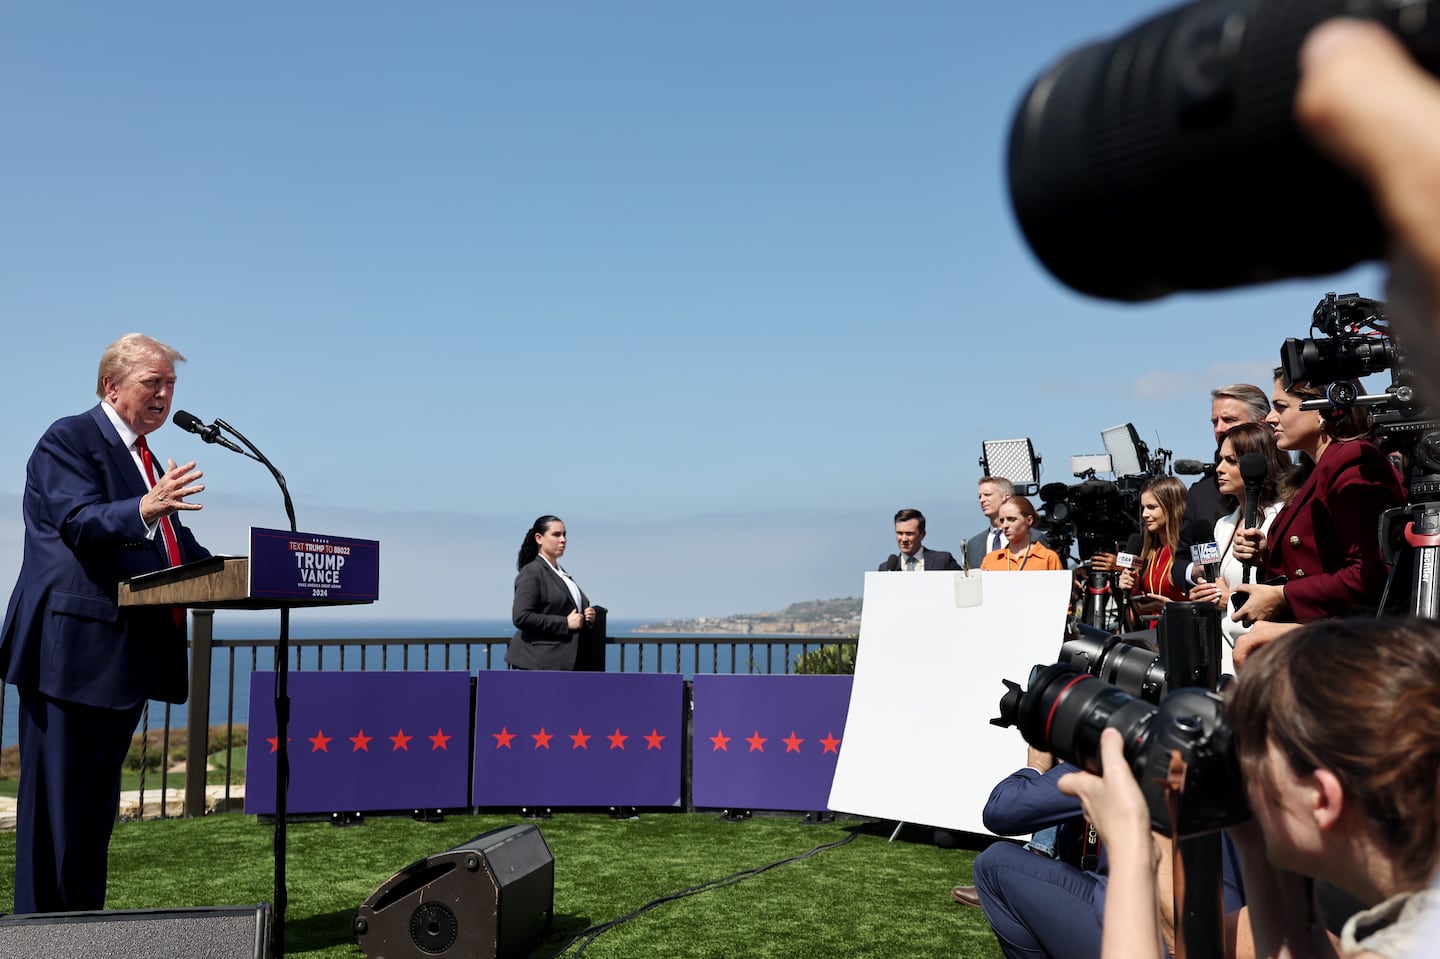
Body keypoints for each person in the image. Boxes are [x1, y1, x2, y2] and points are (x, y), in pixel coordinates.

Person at [0, 333, 210, 914]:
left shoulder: (143, 459)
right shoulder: (69, 439)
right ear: (110, 386)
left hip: (123, 662)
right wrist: (146, 507)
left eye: (170, 385)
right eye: (153, 383)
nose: (165, 395)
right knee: (54, 817)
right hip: (69, 655)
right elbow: (81, 523)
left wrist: (257, 568)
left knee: (93, 820)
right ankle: (38, 941)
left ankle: (84, 931)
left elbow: (177, 548)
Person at [1231, 371, 1403, 628]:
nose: (1269, 418)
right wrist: (1268, 554)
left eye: (1281, 407)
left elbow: (1371, 573)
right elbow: (1320, 558)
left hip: (1351, 642)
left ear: (1322, 410)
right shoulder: (1317, 470)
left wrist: (1283, 595)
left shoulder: (1352, 460)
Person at [1185, 423, 1292, 672]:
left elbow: (1281, 594)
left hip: (1265, 659)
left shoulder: (1282, 519)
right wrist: (1205, 595)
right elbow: (1217, 586)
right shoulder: (1223, 525)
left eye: (1231, 461)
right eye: (1220, 460)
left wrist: (1230, 600)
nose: (1219, 469)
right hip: (1222, 656)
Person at [1172, 385, 1271, 594]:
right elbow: (1181, 562)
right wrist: (1196, 573)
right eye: (1215, 422)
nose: (1219, 428)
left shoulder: (1291, 489)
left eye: (1230, 420)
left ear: (1263, 422)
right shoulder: (1201, 494)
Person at [507, 515, 599, 670]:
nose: (563, 540)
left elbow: (566, 608)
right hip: (538, 663)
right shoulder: (532, 572)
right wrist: (565, 623)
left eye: (564, 535)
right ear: (539, 538)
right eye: (556, 535)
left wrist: (588, 615)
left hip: (562, 663)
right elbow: (521, 617)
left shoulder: (560, 572)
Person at [1117, 476, 1188, 626]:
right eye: (1143, 508)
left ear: (1171, 507)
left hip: (1185, 637)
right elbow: (1144, 613)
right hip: (1154, 639)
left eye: (1151, 507)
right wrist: (1134, 589)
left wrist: (1169, 608)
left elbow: (1205, 604)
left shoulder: (1188, 549)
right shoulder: (1149, 552)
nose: (1144, 514)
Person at [981, 496, 1063, 571]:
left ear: (1029, 520)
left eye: (1011, 519)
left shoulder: (1047, 558)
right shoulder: (990, 560)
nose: (1005, 525)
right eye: (1002, 520)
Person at [879, 508, 961, 572]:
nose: (904, 539)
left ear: (922, 534)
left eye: (909, 533)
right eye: (900, 533)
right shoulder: (886, 569)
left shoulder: (942, 561)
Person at [967, 477, 1015, 568]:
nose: (982, 500)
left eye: (987, 494)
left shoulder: (1033, 538)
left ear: (1006, 497)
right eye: (980, 496)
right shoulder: (974, 544)